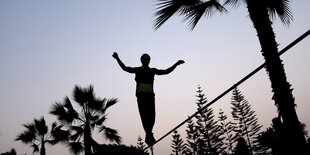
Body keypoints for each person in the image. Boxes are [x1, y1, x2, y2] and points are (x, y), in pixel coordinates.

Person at [112, 52, 184, 146]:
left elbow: (166, 71)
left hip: (150, 95)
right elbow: (125, 68)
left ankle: (149, 134)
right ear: (141, 60)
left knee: (152, 116)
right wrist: (117, 58)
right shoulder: (137, 70)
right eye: (145, 59)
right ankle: (148, 134)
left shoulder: (152, 71)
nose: (147, 61)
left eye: (148, 59)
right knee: (144, 116)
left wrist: (176, 64)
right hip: (141, 96)